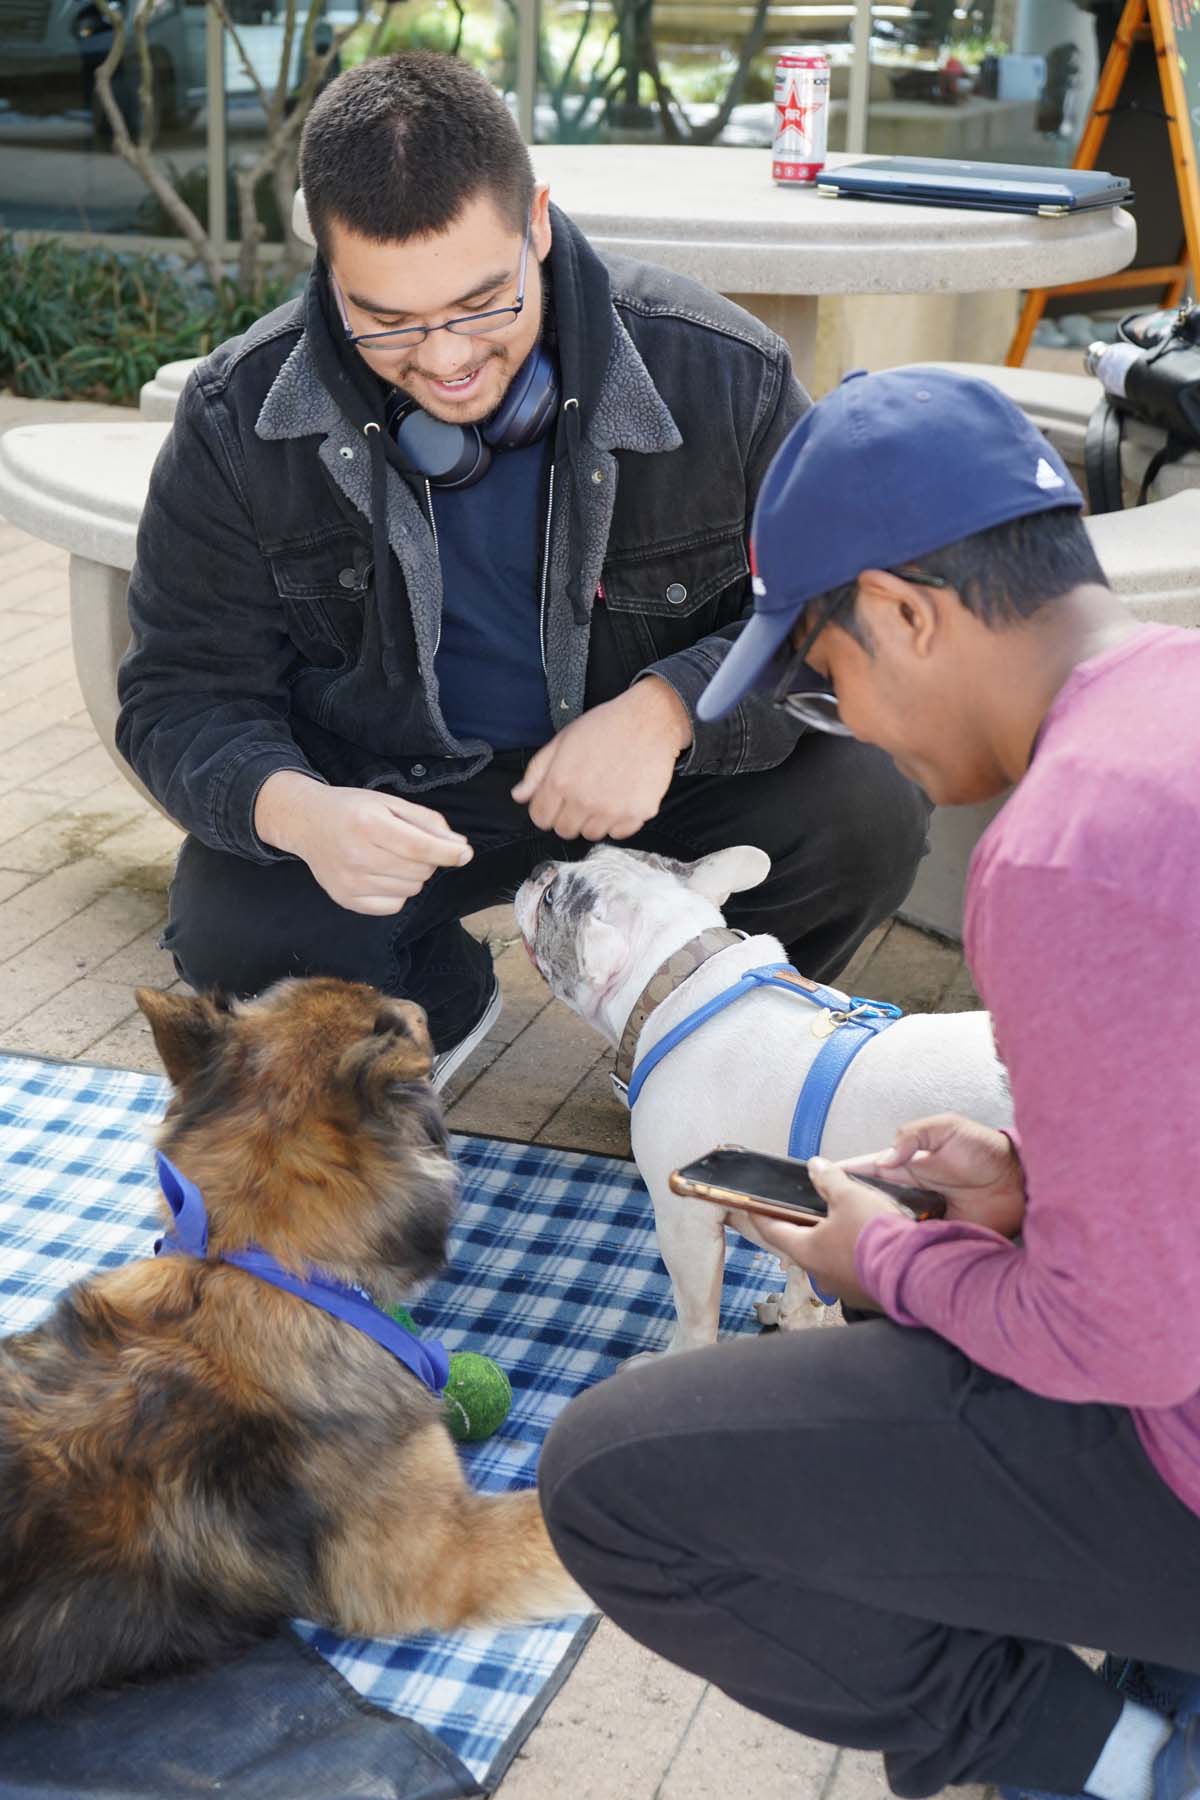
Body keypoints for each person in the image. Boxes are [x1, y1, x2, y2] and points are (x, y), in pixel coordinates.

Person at [537, 366, 1200, 1800]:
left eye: (828, 680)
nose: (856, 726)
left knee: (613, 1480)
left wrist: (884, 1257)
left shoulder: (1066, 846)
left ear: (905, 612)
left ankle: (1120, 1761)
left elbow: (1122, 1348)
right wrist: (1035, 1193)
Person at [115, 53, 928, 1085]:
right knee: (233, 933)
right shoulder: (238, 417)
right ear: (324, 264)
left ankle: (715, 1045)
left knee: (867, 806)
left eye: (482, 303)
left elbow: (845, 613)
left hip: (653, 780)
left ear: (537, 222)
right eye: (389, 322)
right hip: (386, 792)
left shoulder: (723, 372)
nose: (446, 359)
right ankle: (440, 1002)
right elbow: (177, 692)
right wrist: (298, 811)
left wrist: (670, 712)